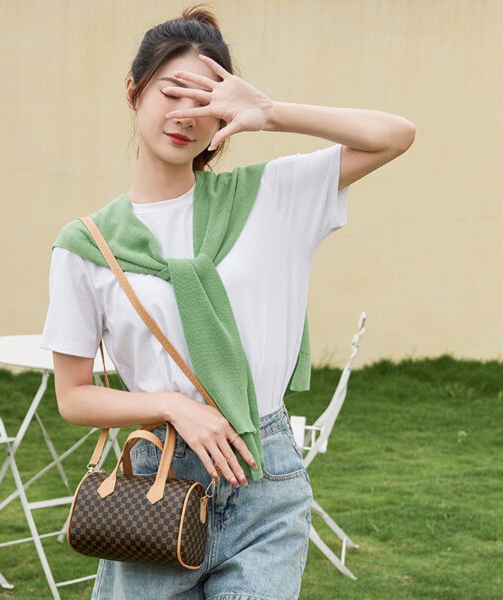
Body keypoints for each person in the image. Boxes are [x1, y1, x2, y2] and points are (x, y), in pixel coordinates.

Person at [40, 5, 415, 599]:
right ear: (134, 92)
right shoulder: (87, 245)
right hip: (156, 486)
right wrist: (171, 406)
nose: (187, 115)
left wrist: (269, 112)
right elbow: (73, 396)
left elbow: (396, 135)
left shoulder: (272, 196)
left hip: (262, 481)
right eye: (173, 93)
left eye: (207, 101)